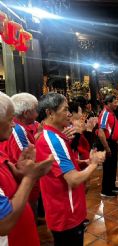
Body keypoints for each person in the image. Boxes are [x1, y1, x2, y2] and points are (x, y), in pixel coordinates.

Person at [35, 92, 105, 246]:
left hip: (62, 209)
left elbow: (62, 165)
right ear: (50, 112)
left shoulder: (54, 136)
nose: (69, 114)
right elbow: (73, 180)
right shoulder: (53, 140)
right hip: (66, 211)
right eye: (65, 110)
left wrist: (84, 161)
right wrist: (94, 163)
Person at [0, 92, 53, 246]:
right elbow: (4, 222)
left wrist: (20, 169)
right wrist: (30, 177)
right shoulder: (19, 130)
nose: (13, 124)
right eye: (10, 119)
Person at [97, 95, 118, 197]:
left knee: (113, 166)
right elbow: (101, 132)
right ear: (108, 103)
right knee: (108, 167)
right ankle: (106, 190)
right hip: (107, 143)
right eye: (115, 102)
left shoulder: (111, 113)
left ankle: (112, 186)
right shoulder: (105, 114)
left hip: (112, 143)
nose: (117, 104)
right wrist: (107, 147)